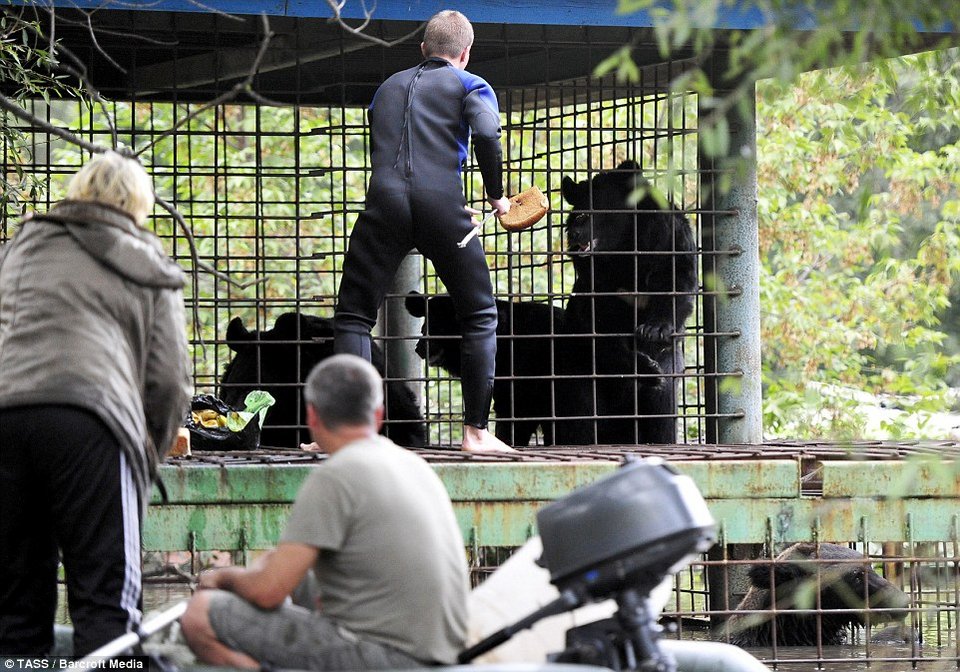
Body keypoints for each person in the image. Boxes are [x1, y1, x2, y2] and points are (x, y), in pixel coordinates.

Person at [0, 151, 191, 656]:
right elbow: (168, 381)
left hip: (6, 416)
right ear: (140, 204)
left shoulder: (21, 246)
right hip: (92, 421)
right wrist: (146, 454)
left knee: (14, 607)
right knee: (108, 609)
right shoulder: (148, 262)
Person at [181, 354, 470, 670]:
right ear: (378, 415)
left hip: (388, 658)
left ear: (312, 416)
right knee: (299, 577)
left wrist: (221, 577)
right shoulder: (415, 466)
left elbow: (268, 592)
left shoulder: (336, 475)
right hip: (443, 654)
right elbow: (285, 574)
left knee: (200, 613)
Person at [333, 9, 514, 453]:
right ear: (465, 53)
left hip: (384, 205)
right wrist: (496, 196)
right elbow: (486, 132)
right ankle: (475, 433)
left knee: (354, 317)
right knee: (479, 315)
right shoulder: (471, 84)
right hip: (442, 207)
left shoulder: (386, 89)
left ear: (422, 49)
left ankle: (350, 434)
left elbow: (397, 149)